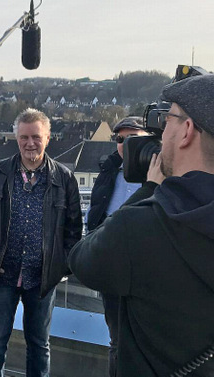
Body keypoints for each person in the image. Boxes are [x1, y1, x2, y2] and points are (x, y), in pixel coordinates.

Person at [69, 74, 214, 376]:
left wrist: (149, 190)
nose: (161, 135)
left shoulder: (141, 227)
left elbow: (82, 260)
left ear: (187, 132)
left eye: (168, 121)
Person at [0, 108, 83, 377]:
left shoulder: (64, 179)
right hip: (1, 275)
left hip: (42, 278)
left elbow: (74, 230)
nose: (30, 143)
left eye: (36, 136)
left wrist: (60, 268)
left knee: (39, 345)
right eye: (23, 137)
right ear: (16, 138)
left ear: (47, 138)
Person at [85, 116, 149, 377]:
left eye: (134, 138)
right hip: (113, 269)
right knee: (117, 341)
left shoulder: (160, 172)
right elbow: (95, 214)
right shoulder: (108, 170)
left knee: (146, 342)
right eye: (121, 139)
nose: (125, 144)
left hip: (147, 273)